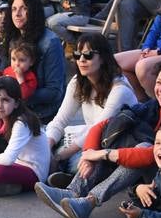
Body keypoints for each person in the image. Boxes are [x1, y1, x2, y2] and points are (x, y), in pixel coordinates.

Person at [37, 59, 161, 218]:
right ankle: (72, 192)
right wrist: (89, 153)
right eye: (159, 82)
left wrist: (104, 154)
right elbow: (106, 124)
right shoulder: (155, 107)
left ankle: (89, 202)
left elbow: (151, 155)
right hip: (152, 171)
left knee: (143, 149)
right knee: (117, 134)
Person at [44, 36, 137, 180]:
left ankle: (67, 176)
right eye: (77, 54)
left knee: (79, 163)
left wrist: (58, 156)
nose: (81, 60)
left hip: (110, 145)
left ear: (103, 58)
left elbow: (96, 129)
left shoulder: (120, 90)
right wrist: (47, 147)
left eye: (88, 55)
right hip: (87, 141)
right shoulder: (78, 82)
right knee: (43, 135)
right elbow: (60, 120)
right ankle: (61, 173)